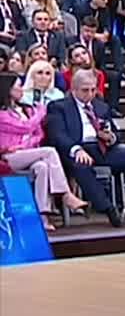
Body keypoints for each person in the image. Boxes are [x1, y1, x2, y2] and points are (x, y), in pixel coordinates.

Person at [47, 70, 125, 227]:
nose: (90, 94)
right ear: (73, 89)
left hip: (102, 147)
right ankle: (108, 208)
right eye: (85, 90)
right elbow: (58, 135)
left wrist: (111, 137)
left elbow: (116, 133)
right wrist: (76, 149)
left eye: (93, 90)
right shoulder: (59, 107)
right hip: (77, 148)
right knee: (81, 166)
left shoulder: (100, 106)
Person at [0, 75, 88, 231]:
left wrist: (25, 143)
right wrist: (41, 112)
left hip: (30, 152)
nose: (21, 89)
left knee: (42, 167)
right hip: (8, 157)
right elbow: (25, 127)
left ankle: (42, 216)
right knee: (49, 152)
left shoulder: (26, 109)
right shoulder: (2, 114)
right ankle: (66, 194)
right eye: (18, 86)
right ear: (8, 90)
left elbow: (39, 133)